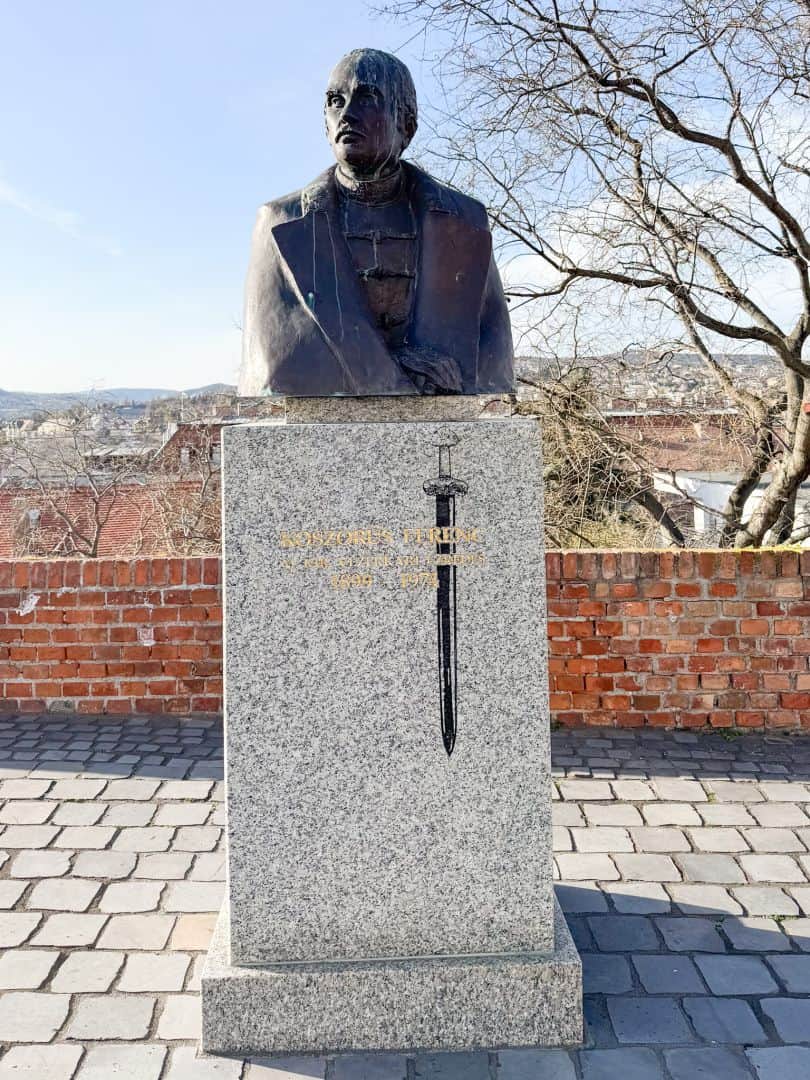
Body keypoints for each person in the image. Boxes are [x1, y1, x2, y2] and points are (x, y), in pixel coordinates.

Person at [238, 48, 514, 397]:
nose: (347, 114)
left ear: (407, 124)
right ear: (325, 125)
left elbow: (491, 358)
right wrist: (392, 371)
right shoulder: (279, 223)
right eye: (335, 101)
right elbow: (275, 358)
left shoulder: (466, 221)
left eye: (367, 99)